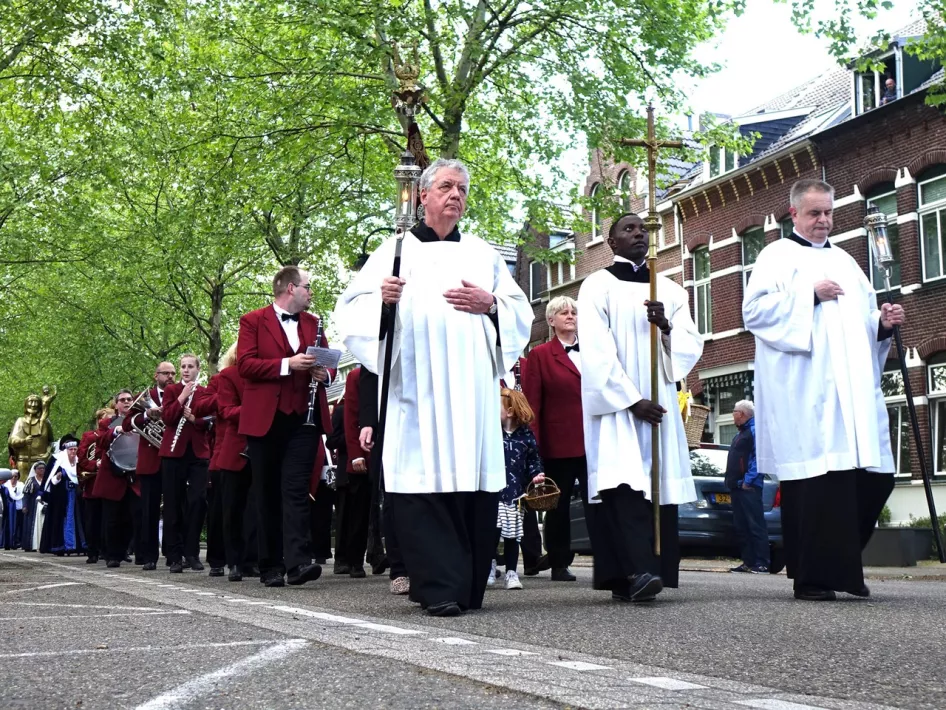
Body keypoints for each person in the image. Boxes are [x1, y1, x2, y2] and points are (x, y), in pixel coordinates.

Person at [335, 157, 533, 616]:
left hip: (472, 393)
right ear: (422, 195)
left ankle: (467, 587)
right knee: (423, 484)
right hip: (418, 392)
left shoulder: (483, 254)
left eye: (462, 188)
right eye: (446, 186)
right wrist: (382, 302)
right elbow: (353, 312)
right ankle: (438, 588)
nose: (455, 195)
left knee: (473, 484)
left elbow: (518, 312)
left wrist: (491, 304)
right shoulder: (395, 251)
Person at [743, 179, 903, 602]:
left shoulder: (846, 261)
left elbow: (862, 321)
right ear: (794, 213)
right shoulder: (776, 256)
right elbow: (753, 312)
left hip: (851, 397)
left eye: (829, 212)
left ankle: (839, 566)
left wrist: (882, 324)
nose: (824, 220)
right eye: (815, 213)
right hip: (806, 394)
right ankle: (813, 578)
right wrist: (808, 296)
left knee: (875, 481)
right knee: (819, 489)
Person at [578, 212, 703, 602]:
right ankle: (633, 572)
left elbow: (689, 345)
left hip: (659, 403)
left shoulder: (669, 290)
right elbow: (595, 350)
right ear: (611, 242)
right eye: (628, 229)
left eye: (643, 229)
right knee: (623, 483)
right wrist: (632, 400)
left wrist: (665, 328)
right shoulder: (597, 285)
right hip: (618, 409)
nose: (638, 234)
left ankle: (653, 571)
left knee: (655, 484)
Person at [237, 265, 334, 588]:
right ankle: (270, 565)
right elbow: (246, 365)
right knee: (266, 492)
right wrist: (287, 364)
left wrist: (325, 374)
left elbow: (329, 364)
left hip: (304, 419)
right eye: (307, 286)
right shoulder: (252, 321)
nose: (311, 292)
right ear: (291, 288)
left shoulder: (315, 323)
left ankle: (298, 563)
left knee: (296, 490)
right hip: (265, 419)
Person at [521, 296, 590, 581]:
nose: (570, 316)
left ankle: (610, 560)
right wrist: (533, 447)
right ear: (550, 320)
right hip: (558, 443)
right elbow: (533, 404)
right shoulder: (540, 355)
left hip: (594, 441)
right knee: (557, 505)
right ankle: (559, 562)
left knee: (597, 502)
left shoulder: (593, 350)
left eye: (573, 311)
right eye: (563, 312)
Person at [201, 344, 259, 582]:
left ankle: (252, 561)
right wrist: (259, 409)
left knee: (256, 510)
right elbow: (226, 411)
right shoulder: (227, 376)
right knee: (231, 510)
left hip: (262, 449)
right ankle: (233, 561)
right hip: (234, 450)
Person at [358, 369, 409, 595]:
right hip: (391, 420)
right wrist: (368, 421)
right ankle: (399, 570)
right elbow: (370, 370)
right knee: (393, 495)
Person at [160, 354, 211, 573]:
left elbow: (210, 420)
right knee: (173, 504)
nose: (186, 370)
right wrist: (182, 397)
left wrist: (194, 420)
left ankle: (192, 552)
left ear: (198, 369)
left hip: (198, 453)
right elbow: (168, 418)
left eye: (190, 366)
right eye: (183, 367)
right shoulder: (172, 391)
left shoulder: (205, 392)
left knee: (198, 501)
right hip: (173, 453)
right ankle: (174, 556)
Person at [491, 388, 544, 590]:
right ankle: (490, 564)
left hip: (516, 494)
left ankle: (511, 572)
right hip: (494, 492)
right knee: (492, 532)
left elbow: (533, 459)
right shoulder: (492, 434)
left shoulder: (526, 436)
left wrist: (537, 474)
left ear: (510, 411)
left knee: (513, 534)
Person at [124, 362, 176, 571]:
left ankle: (173, 555)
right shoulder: (144, 397)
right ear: (156, 375)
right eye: (166, 373)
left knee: (174, 509)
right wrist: (146, 415)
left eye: (173, 373)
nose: (170, 376)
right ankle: (149, 556)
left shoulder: (180, 395)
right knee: (148, 511)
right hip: (150, 461)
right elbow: (127, 424)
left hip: (173, 458)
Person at [93, 391, 142, 568]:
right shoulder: (106, 423)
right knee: (112, 519)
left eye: (129, 399)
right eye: (123, 400)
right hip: (113, 476)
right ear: (116, 404)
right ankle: (112, 555)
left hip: (134, 476)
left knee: (132, 517)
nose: (127, 402)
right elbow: (101, 442)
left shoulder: (139, 420)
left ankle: (124, 551)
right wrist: (116, 430)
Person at [334, 366, 373, 578]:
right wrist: (356, 454)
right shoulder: (356, 376)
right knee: (359, 511)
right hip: (365, 454)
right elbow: (351, 418)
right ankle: (355, 560)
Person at [726, 400, 769, 574]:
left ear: (742, 414)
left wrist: (748, 481)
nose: (733, 414)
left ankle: (762, 563)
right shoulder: (741, 433)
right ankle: (749, 562)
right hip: (737, 487)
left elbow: (759, 458)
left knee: (755, 525)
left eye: (734, 411)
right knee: (742, 526)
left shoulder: (754, 431)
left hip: (748, 488)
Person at [40, 435, 86, 555]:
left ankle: (80, 546)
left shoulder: (80, 461)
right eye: (71, 449)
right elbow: (50, 479)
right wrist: (57, 478)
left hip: (78, 496)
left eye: (75, 449)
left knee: (80, 518)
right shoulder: (58, 462)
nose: (73, 452)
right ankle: (64, 546)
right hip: (62, 497)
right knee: (62, 519)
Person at [21, 461, 46, 551]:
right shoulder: (31, 480)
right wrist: (25, 506)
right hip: (33, 506)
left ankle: (43, 545)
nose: (42, 470)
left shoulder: (47, 479)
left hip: (45, 504)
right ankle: (31, 545)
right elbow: (26, 494)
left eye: (43, 468)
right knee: (32, 525)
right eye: (39, 468)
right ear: (35, 470)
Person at [1, 471, 25, 549]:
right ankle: (8, 542)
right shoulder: (5, 485)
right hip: (8, 508)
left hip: (19, 507)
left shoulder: (21, 485)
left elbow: (24, 496)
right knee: (8, 525)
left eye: (16, 476)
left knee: (19, 526)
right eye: (12, 476)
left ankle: (18, 542)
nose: (14, 478)